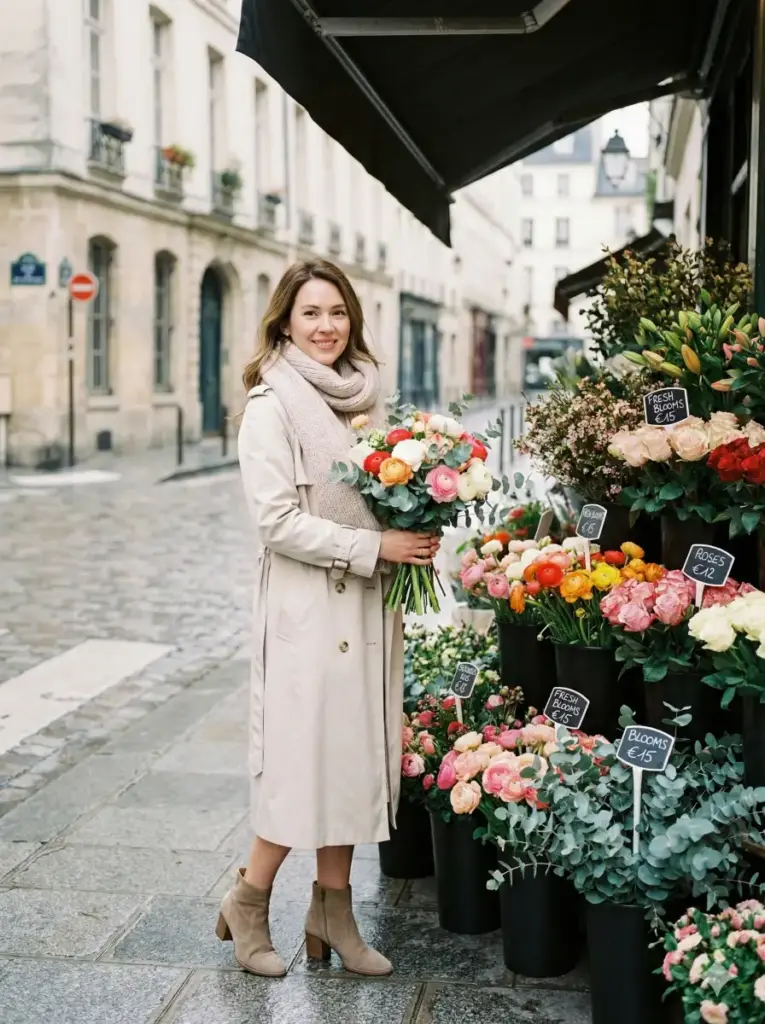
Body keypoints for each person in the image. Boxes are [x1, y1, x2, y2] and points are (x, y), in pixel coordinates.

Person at [217, 259, 439, 978]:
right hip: (307, 611)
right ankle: (248, 901)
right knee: (296, 766)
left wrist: (420, 517)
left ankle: (330, 913)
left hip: (368, 607)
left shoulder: (364, 399)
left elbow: (387, 490)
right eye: (310, 313)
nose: (325, 327)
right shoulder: (270, 405)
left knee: (350, 763)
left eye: (336, 312)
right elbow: (276, 522)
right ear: (284, 321)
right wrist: (374, 545)